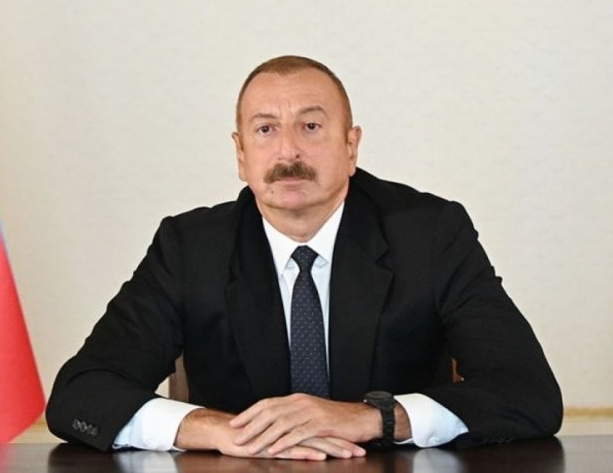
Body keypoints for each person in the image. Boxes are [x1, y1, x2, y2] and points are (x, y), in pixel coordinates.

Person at [46, 55, 562, 460]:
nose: (288, 152)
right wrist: (222, 430)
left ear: (351, 146)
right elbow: (79, 395)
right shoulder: (190, 247)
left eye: (311, 127)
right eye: (266, 129)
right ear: (241, 153)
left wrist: (372, 418)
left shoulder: (428, 234)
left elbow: (528, 393)